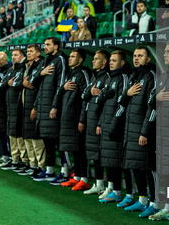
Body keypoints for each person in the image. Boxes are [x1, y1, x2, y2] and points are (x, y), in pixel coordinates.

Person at [138, 42, 169, 218]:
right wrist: (157, 97)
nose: (165, 55)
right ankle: (168, 208)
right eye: (165, 51)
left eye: (168, 52)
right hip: (162, 132)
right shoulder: (164, 74)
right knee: (168, 171)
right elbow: (151, 99)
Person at [113, 47, 157, 217]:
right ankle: (143, 200)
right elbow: (121, 100)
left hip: (143, 130)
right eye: (135, 55)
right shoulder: (134, 75)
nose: (137, 58)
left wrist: (145, 131)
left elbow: (153, 107)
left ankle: (155, 202)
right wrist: (127, 93)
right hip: (131, 128)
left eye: (141, 55)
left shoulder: (151, 75)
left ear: (148, 58)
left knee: (148, 167)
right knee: (136, 166)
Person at [30, 37, 69, 182]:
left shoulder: (61, 60)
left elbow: (61, 84)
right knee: (48, 140)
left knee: (60, 141)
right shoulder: (46, 61)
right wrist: (41, 73)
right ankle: (50, 171)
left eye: (48, 45)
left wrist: (55, 106)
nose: (44, 47)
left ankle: (65, 173)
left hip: (53, 108)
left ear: (56, 46)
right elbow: (33, 81)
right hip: (43, 107)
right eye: (44, 44)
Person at [98, 50, 134, 203]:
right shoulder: (109, 77)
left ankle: (121, 192)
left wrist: (115, 124)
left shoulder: (124, 77)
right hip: (106, 122)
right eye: (110, 60)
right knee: (109, 159)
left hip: (117, 124)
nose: (111, 62)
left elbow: (122, 102)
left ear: (122, 62)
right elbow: (100, 99)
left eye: (114, 60)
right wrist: (101, 123)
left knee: (116, 159)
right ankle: (115, 191)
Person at [58, 49, 92, 190]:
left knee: (80, 149)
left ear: (80, 60)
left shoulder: (83, 73)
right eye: (69, 56)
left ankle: (84, 178)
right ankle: (77, 176)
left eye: (73, 57)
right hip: (69, 117)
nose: (70, 59)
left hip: (78, 117)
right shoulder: (70, 74)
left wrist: (82, 119)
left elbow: (86, 97)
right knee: (74, 148)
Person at [81, 50, 111, 195]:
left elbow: (107, 103)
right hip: (91, 119)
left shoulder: (106, 77)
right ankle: (98, 184)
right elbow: (84, 95)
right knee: (94, 154)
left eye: (97, 59)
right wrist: (90, 92)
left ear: (104, 62)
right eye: (93, 58)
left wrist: (100, 122)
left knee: (102, 154)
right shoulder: (94, 76)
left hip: (100, 122)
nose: (93, 61)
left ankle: (109, 187)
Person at [20, 44, 46, 177]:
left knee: (36, 139)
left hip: (34, 106)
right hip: (26, 105)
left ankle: (41, 166)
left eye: (31, 51)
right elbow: (23, 82)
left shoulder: (41, 65)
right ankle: (32, 164)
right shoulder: (27, 66)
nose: (28, 53)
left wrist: (35, 107)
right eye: (27, 51)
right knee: (28, 137)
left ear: (38, 53)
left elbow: (36, 86)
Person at [0, 49, 28, 172]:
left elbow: (19, 83)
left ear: (22, 57)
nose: (13, 57)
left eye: (16, 55)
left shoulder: (23, 69)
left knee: (19, 136)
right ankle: (15, 159)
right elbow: (1, 84)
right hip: (9, 107)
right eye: (12, 55)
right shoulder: (11, 70)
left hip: (18, 107)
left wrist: (11, 83)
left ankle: (24, 161)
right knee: (12, 135)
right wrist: (8, 83)